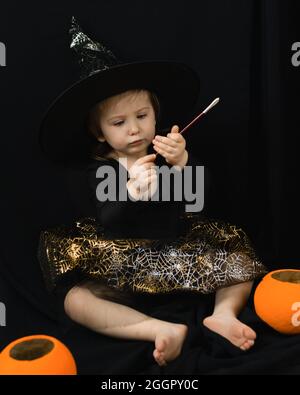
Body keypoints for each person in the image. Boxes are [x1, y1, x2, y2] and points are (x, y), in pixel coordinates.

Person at [38, 18, 267, 367]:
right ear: (99, 132)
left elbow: (200, 201)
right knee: (76, 300)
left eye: (142, 116)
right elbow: (109, 217)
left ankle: (224, 314)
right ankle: (154, 328)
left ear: (155, 114)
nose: (134, 129)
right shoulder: (101, 168)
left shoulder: (167, 154)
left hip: (176, 254)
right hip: (118, 261)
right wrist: (130, 191)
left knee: (237, 254)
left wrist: (184, 163)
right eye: (118, 123)